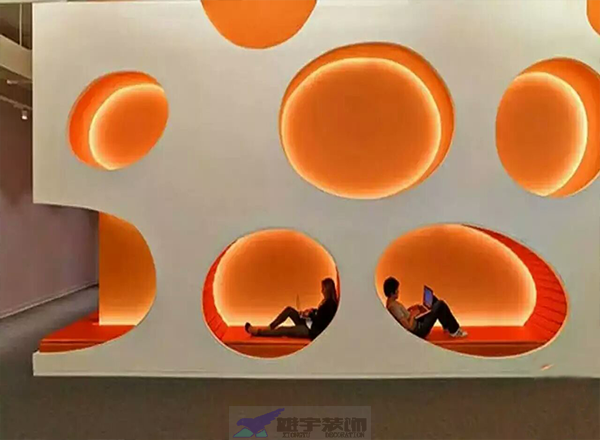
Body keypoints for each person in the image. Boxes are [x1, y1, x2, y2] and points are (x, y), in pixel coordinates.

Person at [245, 278, 338, 340]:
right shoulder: (326, 302)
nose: (321, 291)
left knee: (283, 329)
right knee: (289, 310)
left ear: (328, 289)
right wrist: (312, 311)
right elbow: (320, 314)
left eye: (323, 288)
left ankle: (259, 332)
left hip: (310, 330)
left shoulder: (330, 305)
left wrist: (310, 315)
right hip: (309, 324)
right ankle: (270, 327)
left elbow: (321, 322)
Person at [383, 277, 467, 338]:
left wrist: (411, 309)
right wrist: (412, 315)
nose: (398, 291)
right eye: (397, 290)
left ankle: (447, 326)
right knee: (440, 304)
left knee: (433, 299)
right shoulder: (393, 307)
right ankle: (454, 330)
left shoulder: (391, 302)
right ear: (392, 293)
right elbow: (407, 327)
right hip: (419, 329)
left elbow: (402, 316)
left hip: (416, 321)